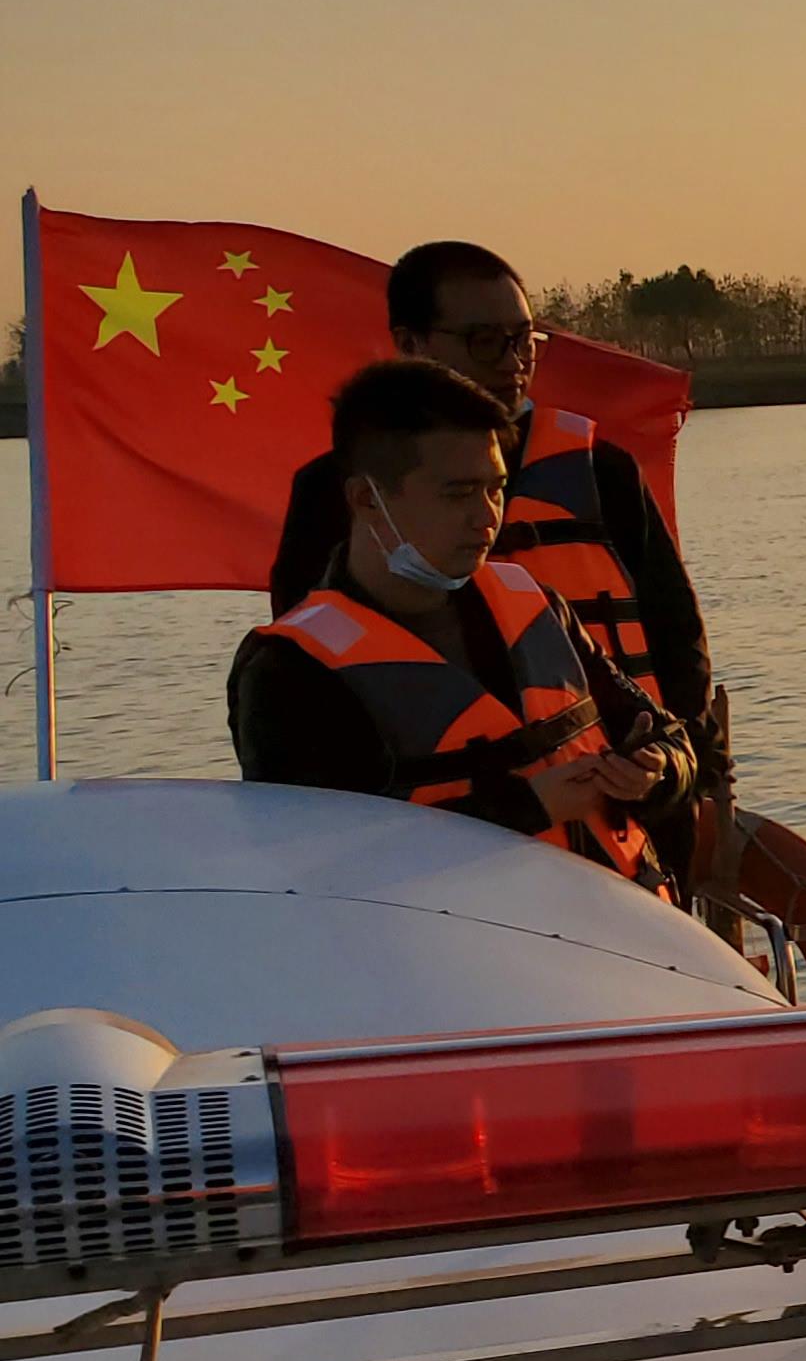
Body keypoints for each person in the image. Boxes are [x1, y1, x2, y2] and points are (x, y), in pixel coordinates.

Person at [269, 241, 726, 833]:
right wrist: (523, 807)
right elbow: (316, 772)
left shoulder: (600, 473)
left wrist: (675, 769)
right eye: (486, 341)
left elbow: (678, 644)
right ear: (410, 344)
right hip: (443, 865)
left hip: (623, 825)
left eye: (526, 340)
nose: (513, 361)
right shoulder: (327, 509)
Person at [230, 361, 701, 891]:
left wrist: (657, 768)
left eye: (495, 488)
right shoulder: (290, 670)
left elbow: (665, 731)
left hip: (623, 938)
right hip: (454, 961)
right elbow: (323, 867)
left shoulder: (533, 602)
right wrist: (530, 807)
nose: (487, 517)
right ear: (366, 499)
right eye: (458, 493)